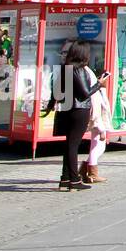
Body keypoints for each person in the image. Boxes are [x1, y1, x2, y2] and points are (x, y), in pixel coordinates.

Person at [51, 40, 106, 192]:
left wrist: (50, 106)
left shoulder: (65, 68)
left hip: (67, 109)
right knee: (73, 146)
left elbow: (56, 90)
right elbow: (84, 93)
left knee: (69, 145)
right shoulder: (79, 69)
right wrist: (99, 84)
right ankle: (74, 180)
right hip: (79, 110)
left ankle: (65, 178)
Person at [80, 64, 114, 185]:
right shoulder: (97, 90)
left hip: (98, 120)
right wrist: (101, 128)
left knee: (98, 146)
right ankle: (92, 173)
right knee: (98, 146)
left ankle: (84, 171)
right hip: (98, 121)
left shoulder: (99, 90)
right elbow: (97, 109)